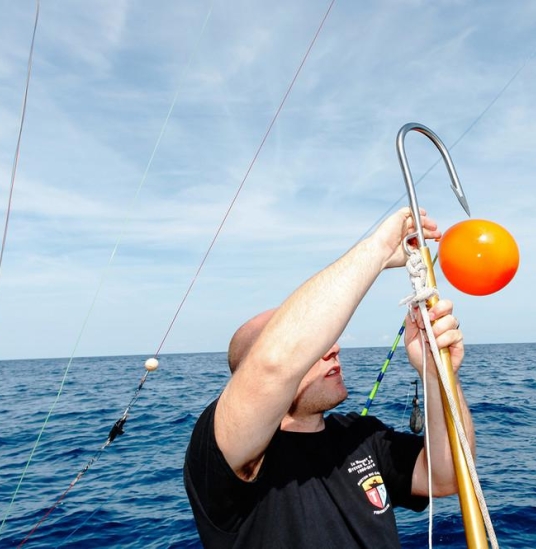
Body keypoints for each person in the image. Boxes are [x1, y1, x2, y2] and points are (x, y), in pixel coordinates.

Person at [184, 207, 476, 548]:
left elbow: (446, 475)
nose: (333, 347)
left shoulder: (360, 436)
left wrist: (437, 374)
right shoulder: (225, 453)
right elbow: (274, 364)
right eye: (312, 346)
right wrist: (380, 248)